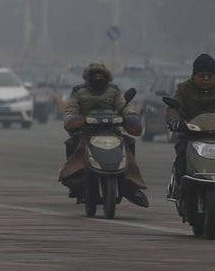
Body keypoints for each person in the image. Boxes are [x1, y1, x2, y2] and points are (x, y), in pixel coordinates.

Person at [58, 62, 148, 207]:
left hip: (112, 132)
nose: (98, 78)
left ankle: (130, 183)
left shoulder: (114, 91)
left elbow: (125, 108)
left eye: (101, 75)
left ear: (107, 77)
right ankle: (73, 178)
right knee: (73, 143)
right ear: (88, 77)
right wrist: (75, 119)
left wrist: (131, 117)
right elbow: (70, 111)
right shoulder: (78, 92)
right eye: (95, 75)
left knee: (129, 143)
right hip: (86, 133)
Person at [165, 53, 215, 199]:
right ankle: (180, 187)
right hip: (190, 135)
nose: (206, 79)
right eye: (202, 75)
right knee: (182, 153)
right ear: (194, 76)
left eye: (210, 75)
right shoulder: (183, 89)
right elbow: (173, 108)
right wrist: (174, 121)